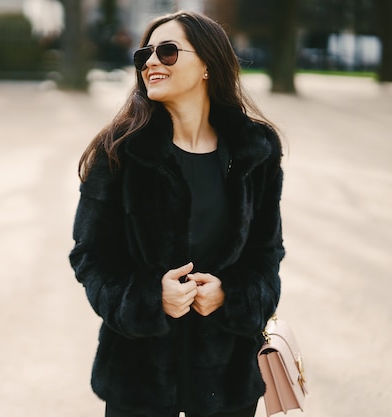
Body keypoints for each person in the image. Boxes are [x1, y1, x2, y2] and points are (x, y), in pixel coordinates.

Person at [69, 11, 285, 417]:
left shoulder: (255, 150)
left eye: (167, 52)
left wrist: (231, 295)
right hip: (139, 377)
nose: (151, 61)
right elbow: (90, 256)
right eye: (144, 54)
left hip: (228, 375)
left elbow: (266, 254)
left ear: (207, 64)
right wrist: (150, 298)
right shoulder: (118, 152)